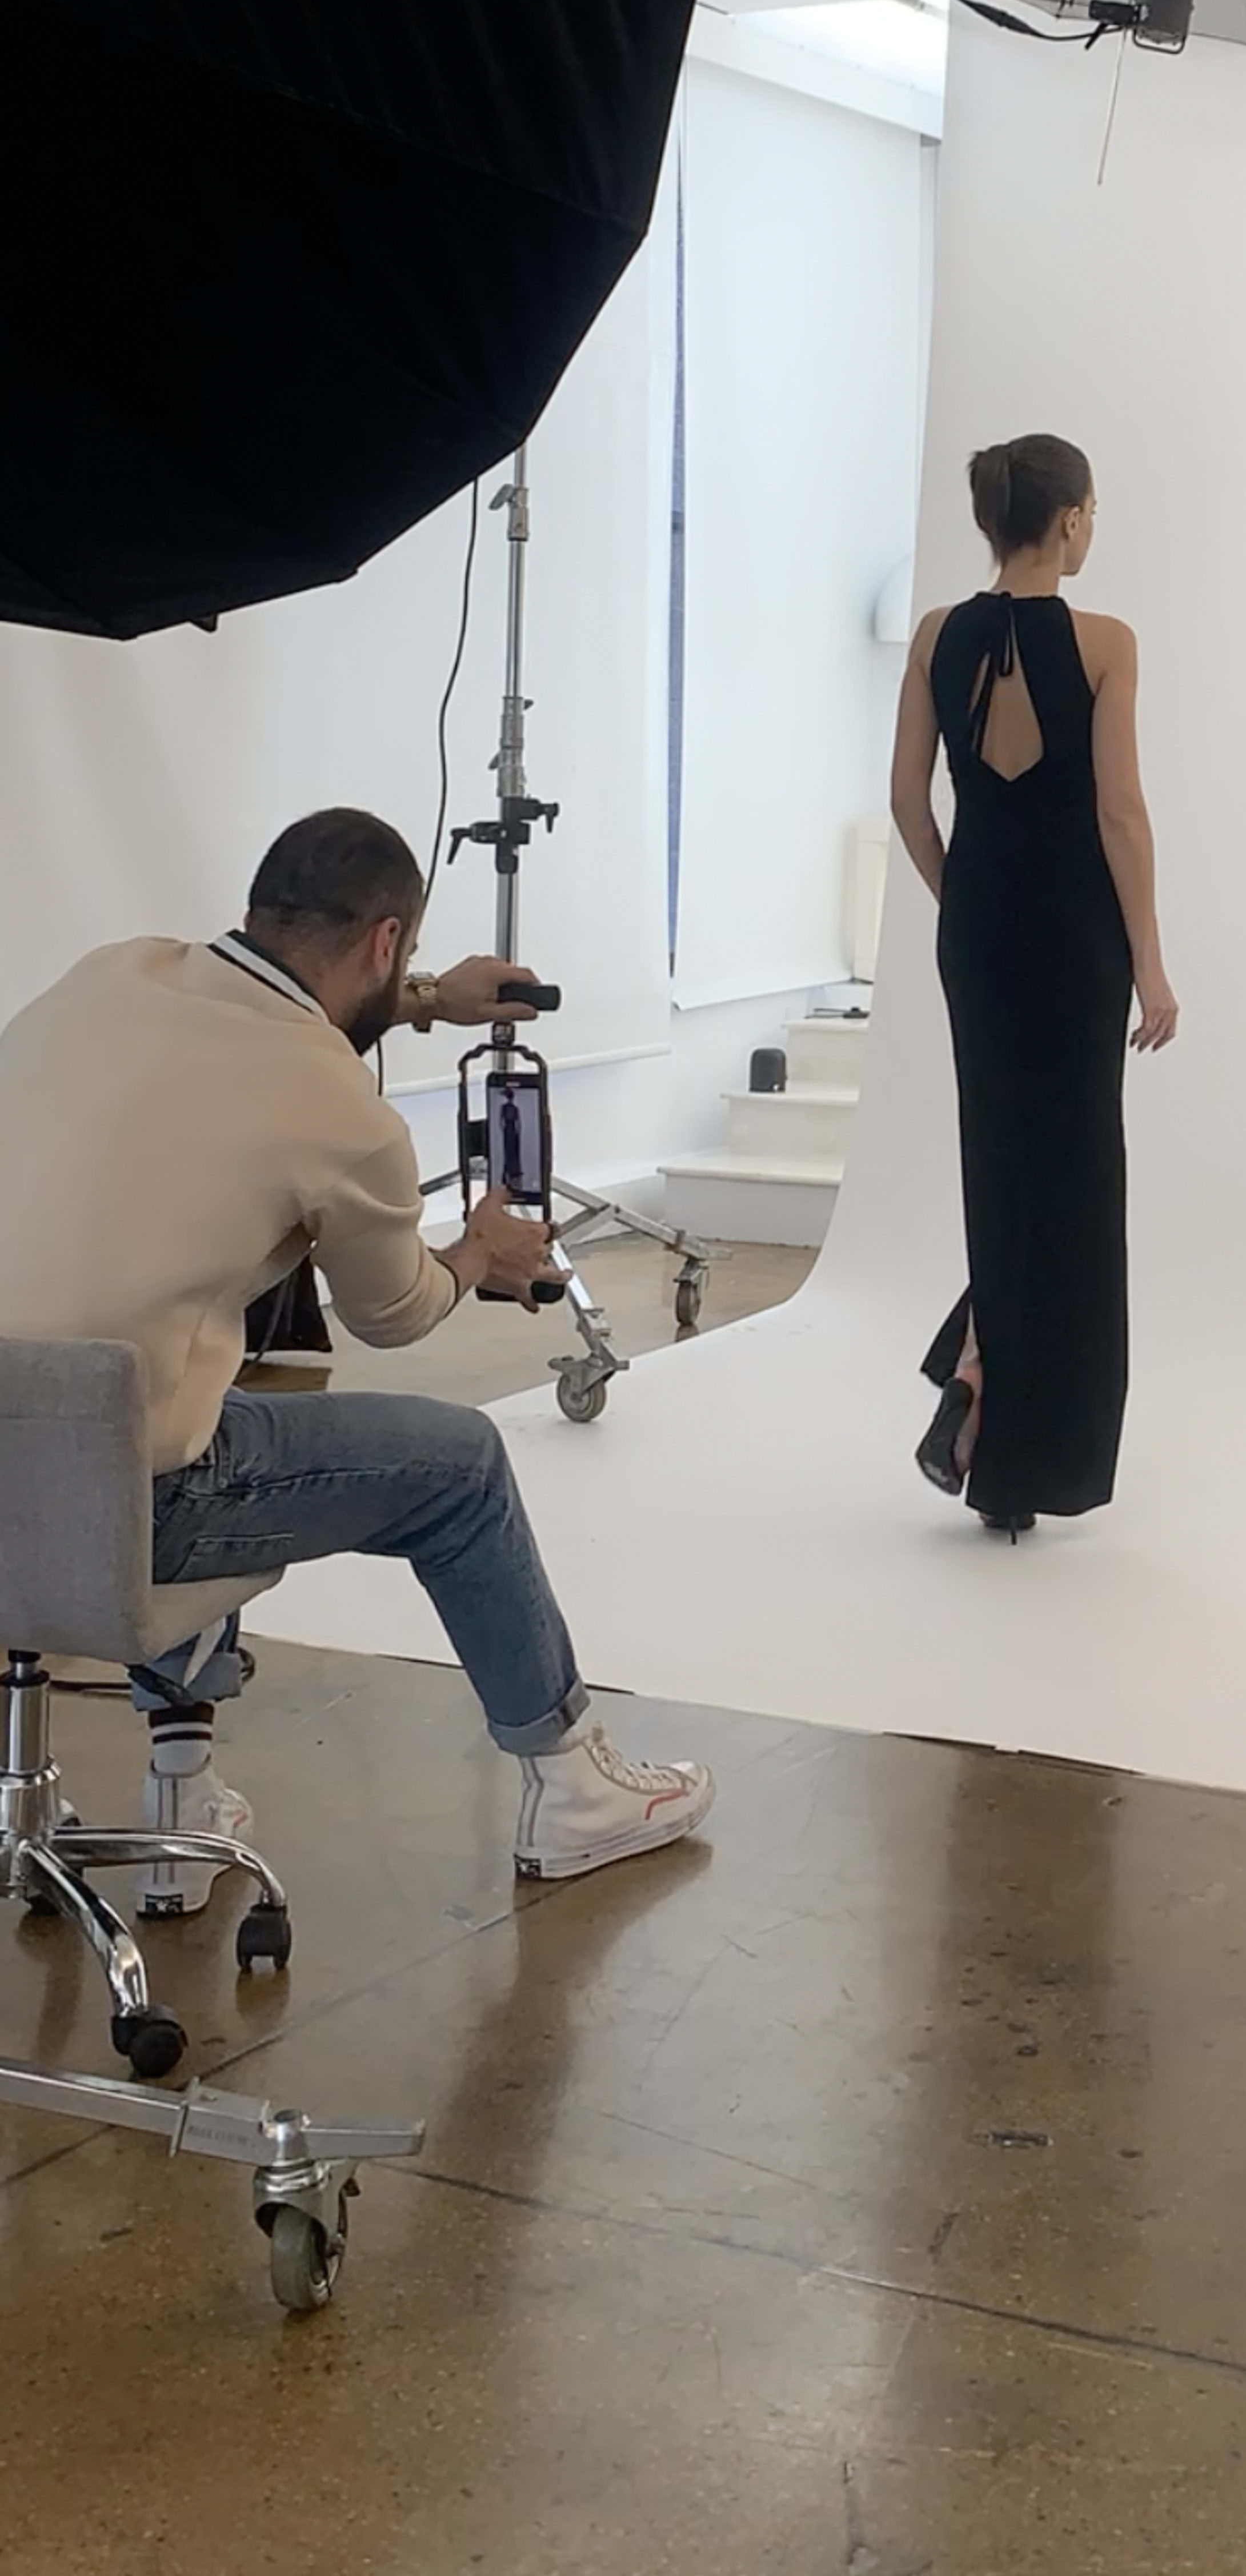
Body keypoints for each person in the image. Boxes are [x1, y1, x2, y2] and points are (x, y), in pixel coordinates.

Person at [0, 807, 714, 1902]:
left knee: (211, 1391)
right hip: (117, 1513)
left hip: (16, 1468)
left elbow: (285, 996)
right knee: (455, 1466)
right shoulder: (340, 1110)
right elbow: (394, 1314)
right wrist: (478, 1250)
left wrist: (426, 1000)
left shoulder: (114, 972)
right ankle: (576, 1788)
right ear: (386, 941)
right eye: (410, 956)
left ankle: (184, 1800)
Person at [890, 435, 1177, 1539]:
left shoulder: (933, 637)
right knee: (1076, 1182)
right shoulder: (1106, 643)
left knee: (999, 1167)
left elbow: (911, 805)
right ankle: (1013, 1429)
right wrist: (1150, 958)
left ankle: (979, 1386)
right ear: (1069, 522)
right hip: (1075, 940)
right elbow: (1120, 813)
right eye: (1092, 513)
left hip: (981, 931)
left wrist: (963, 897)